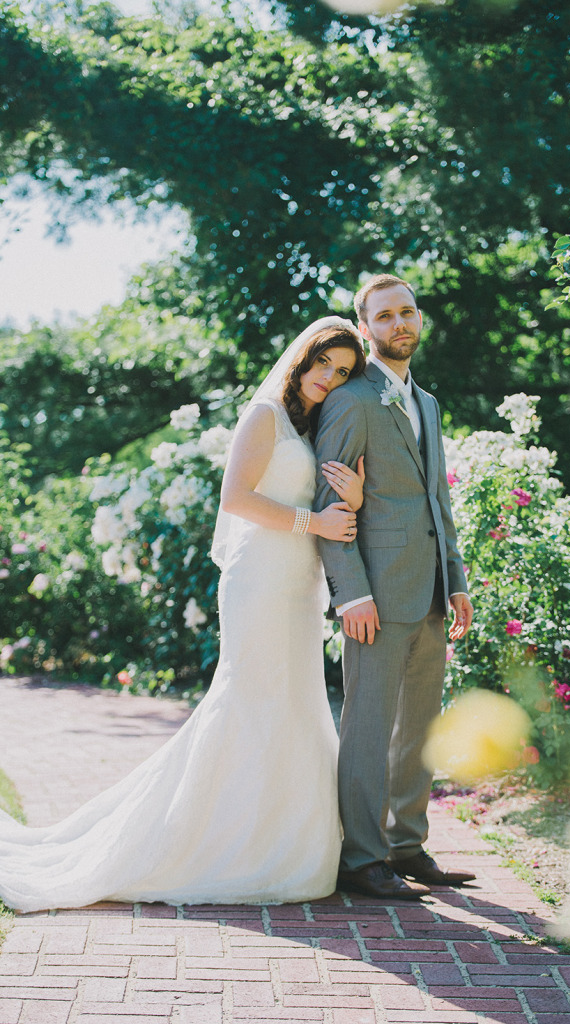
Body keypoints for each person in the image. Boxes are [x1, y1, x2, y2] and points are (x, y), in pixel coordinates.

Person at [0, 317, 366, 912]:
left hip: (300, 583)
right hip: (260, 579)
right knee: (249, 699)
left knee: (295, 700)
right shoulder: (265, 415)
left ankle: (279, 844)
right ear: (303, 356)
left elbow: (322, 502)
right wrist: (314, 522)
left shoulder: (313, 424)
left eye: (343, 371)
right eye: (324, 362)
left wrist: (347, 502)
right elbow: (237, 499)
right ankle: (203, 845)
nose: (330, 377)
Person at [314, 276, 475, 901]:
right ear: (365, 327)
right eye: (385, 316)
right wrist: (351, 593)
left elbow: (438, 499)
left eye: (407, 312)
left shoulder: (427, 402)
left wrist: (456, 581)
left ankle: (408, 845)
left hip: (431, 590)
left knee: (419, 727)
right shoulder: (351, 400)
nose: (399, 324)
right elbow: (331, 507)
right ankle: (363, 857)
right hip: (374, 597)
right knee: (368, 724)